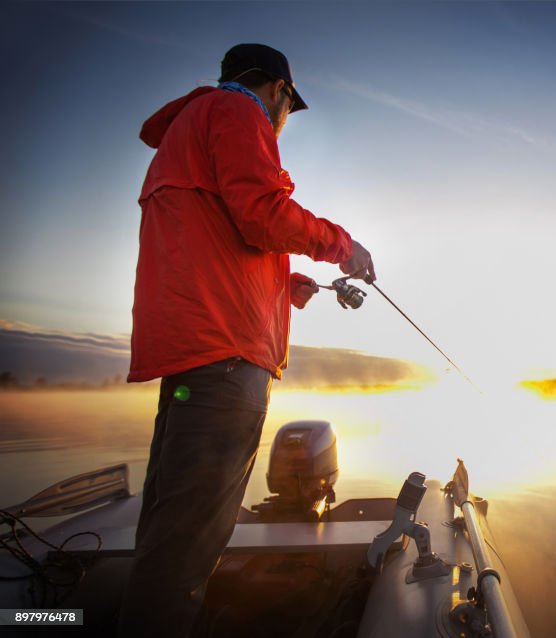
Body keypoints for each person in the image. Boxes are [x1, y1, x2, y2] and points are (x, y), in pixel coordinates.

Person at [118, 43, 374, 637]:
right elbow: (262, 213)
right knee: (188, 544)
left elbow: (215, 239)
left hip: (197, 356)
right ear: (278, 92)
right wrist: (345, 246)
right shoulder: (238, 113)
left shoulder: (192, 125)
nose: (284, 119)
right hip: (227, 361)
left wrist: (286, 284)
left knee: (169, 525)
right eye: (288, 105)